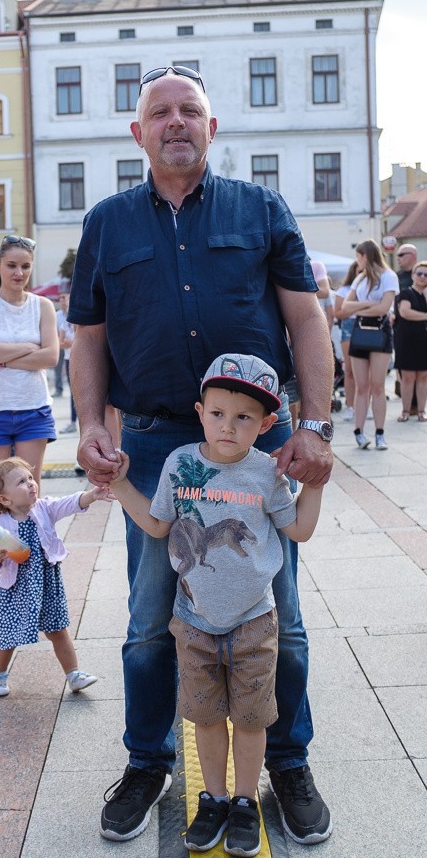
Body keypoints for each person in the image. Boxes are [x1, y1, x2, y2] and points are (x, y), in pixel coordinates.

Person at [68, 65, 334, 846]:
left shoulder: (260, 209)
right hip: (152, 443)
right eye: (160, 112)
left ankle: (287, 761)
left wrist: (314, 423)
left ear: (212, 129)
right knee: (152, 619)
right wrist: (90, 422)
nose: (176, 121)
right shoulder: (107, 224)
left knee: (275, 612)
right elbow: (88, 334)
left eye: (190, 110)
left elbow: (306, 317)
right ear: (138, 132)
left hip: (260, 444)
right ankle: (146, 762)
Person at [110, 354, 324, 855]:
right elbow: (160, 526)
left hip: (255, 621)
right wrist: (120, 485)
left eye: (245, 417)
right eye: (218, 413)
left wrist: (313, 485)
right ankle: (214, 798)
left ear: (268, 424)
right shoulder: (178, 463)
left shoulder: (266, 472)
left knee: (251, 719)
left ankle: (246, 802)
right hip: (194, 622)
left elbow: (299, 530)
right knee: (204, 717)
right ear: (200, 410)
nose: (228, 426)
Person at [0, 456, 106, 696]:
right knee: (8, 633)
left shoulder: (44, 508)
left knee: (58, 629)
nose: (31, 483)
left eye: (30, 478)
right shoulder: (1, 524)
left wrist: (91, 495)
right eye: (21, 482)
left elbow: (68, 503)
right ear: (5, 499)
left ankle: (74, 674)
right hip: (16, 588)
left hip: (46, 583)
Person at [0, 236, 58, 505]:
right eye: (11, 265)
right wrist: (29, 347)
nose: (19, 273)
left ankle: (34, 549)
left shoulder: (42, 305)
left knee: (29, 493)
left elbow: (51, 356)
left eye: (25, 266)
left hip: (32, 406)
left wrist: (3, 357)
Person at [341, 239, 399, 450]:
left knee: (377, 385)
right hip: (361, 330)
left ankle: (380, 433)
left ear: (365, 256)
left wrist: (360, 309)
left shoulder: (388, 276)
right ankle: (359, 432)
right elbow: (345, 307)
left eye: (359, 257)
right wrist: (366, 304)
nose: (358, 261)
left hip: (381, 330)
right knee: (361, 386)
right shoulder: (360, 279)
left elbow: (384, 308)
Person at [394, 260, 427, 422]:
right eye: (419, 273)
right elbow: (405, 312)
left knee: (423, 376)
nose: (422, 277)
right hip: (407, 339)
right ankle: (406, 411)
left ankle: (421, 411)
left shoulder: (426, 295)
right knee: (407, 377)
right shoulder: (406, 293)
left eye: (426, 275)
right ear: (413, 275)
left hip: (423, 340)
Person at [334, 261, 359, 422]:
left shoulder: (372, 289)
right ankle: (350, 405)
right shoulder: (344, 290)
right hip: (349, 327)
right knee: (350, 370)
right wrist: (365, 306)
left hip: (369, 327)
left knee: (367, 374)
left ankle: (363, 405)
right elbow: (339, 313)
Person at [58, 293, 77, 434]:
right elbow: (60, 343)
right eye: (62, 299)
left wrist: (71, 343)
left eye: (66, 299)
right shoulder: (64, 321)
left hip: (80, 358)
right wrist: (71, 343)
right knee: (73, 393)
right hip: (69, 359)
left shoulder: (79, 318)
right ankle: (72, 422)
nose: (64, 302)